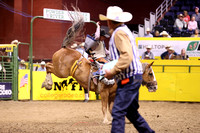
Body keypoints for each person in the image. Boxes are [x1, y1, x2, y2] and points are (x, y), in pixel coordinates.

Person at [99, 6, 155, 133]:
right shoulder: (124, 31)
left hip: (128, 78)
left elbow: (126, 56)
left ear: (109, 21)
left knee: (117, 112)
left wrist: (112, 71)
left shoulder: (119, 33)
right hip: (134, 77)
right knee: (131, 112)